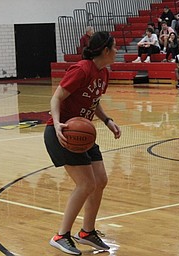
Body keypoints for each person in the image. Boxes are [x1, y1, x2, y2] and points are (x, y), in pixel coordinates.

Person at [44, 31, 121, 255]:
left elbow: (93, 101)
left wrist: (107, 121)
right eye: (114, 47)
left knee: (100, 180)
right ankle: (61, 235)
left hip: (82, 131)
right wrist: (57, 123)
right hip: (64, 133)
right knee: (86, 184)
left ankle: (87, 232)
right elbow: (56, 97)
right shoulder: (81, 69)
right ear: (105, 50)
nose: (117, 51)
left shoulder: (103, 73)